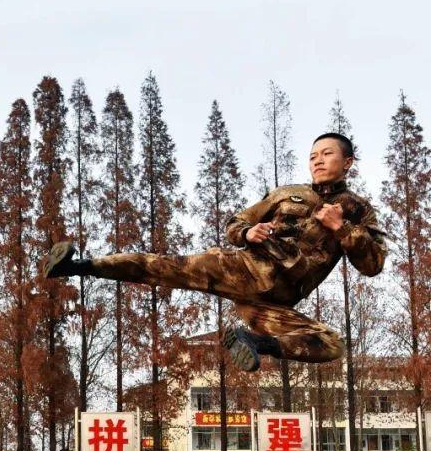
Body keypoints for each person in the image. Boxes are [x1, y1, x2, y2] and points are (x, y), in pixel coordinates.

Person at [44, 133, 385, 372]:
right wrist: (249, 232)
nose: (318, 161)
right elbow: (236, 223)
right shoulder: (287, 194)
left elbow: (373, 265)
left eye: (327, 154)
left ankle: (253, 342)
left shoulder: (357, 210)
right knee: (161, 266)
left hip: (273, 302)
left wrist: (342, 228)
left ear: (348, 161)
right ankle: (77, 267)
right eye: (313, 156)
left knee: (330, 345)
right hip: (245, 268)